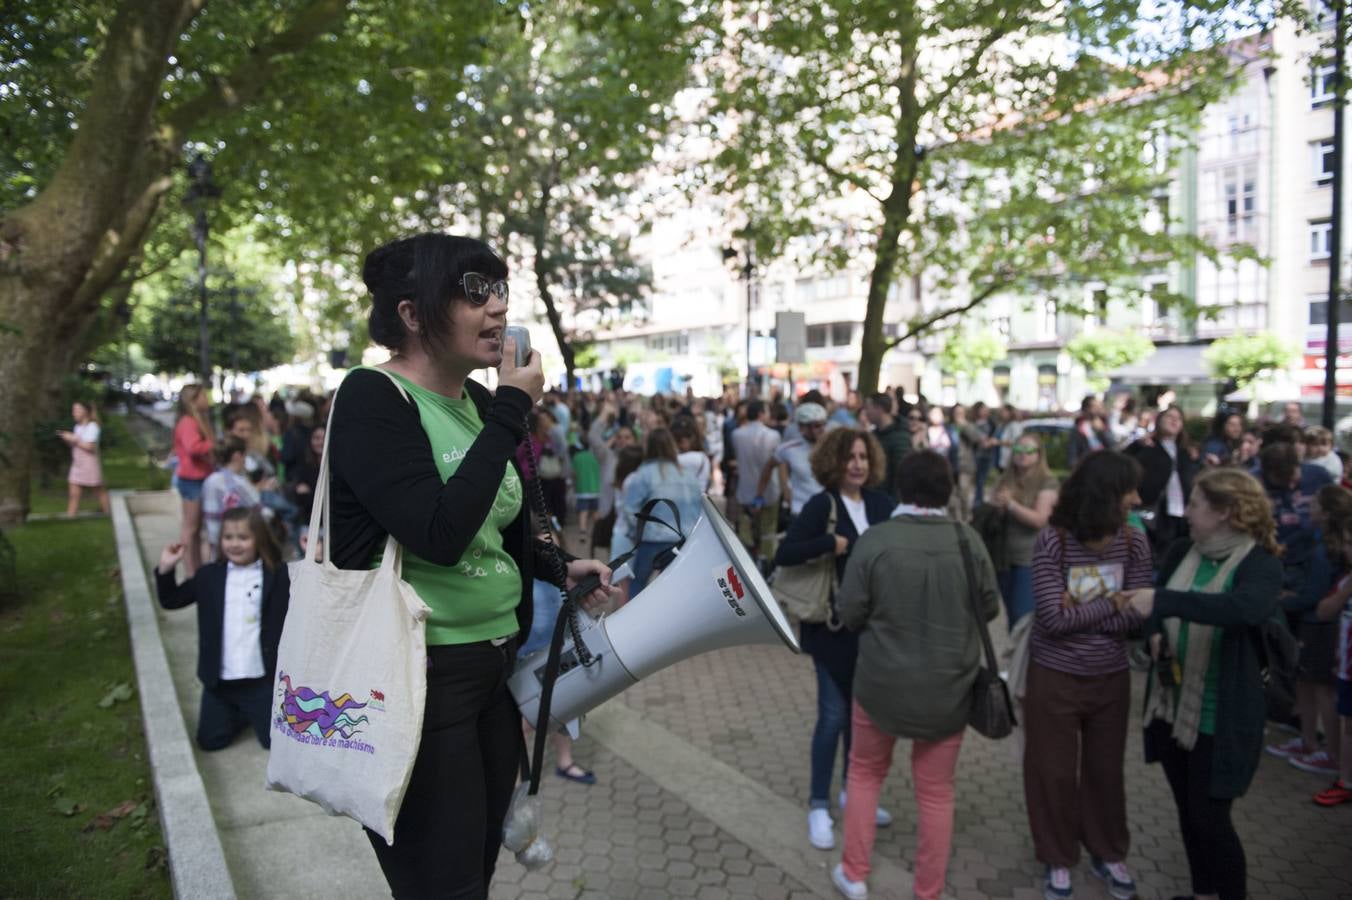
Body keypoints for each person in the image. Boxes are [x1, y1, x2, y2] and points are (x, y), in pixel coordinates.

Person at [325, 233, 618, 897]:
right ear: (411, 314)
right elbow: (438, 534)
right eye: (474, 292)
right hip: (417, 679)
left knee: (477, 867)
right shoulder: (373, 398)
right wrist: (514, 404)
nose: (498, 310)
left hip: (494, 667)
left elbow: (500, 520)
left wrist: (557, 566)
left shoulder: (479, 404)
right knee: (442, 881)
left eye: (500, 291)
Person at [830, 450, 1000, 900]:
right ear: (946, 490)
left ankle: (855, 872)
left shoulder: (875, 540)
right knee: (937, 792)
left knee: (864, 773)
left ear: (901, 489)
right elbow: (990, 608)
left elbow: (849, 613)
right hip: (949, 688)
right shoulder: (968, 540)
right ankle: (928, 890)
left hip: (880, 685)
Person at [1125, 468, 1284, 900]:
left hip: (1222, 718)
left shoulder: (1260, 562)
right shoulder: (1182, 550)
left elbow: (1242, 609)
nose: (1187, 512)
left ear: (1226, 513)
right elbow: (1160, 600)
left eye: (1195, 504)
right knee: (1189, 815)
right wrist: (1157, 626)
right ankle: (1203, 895)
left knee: (1212, 820)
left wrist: (1163, 602)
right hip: (1174, 710)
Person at [1025, 451, 1152, 900]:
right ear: (1103, 495)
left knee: (1105, 770)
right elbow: (1051, 621)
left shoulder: (1135, 542)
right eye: (1128, 491)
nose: (1136, 499)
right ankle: (1058, 858)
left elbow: (1137, 615)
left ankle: (1108, 851)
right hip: (1054, 676)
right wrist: (1111, 604)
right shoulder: (1054, 542)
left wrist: (1084, 610)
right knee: (1052, 771)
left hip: (1110, 678)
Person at [773, 427, 894, 855]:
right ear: (834, 463)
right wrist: (830, 543)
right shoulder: (822, 504)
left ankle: (852, 793)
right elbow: (784, 554)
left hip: (873, 632)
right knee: (832, 715)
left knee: (863, 718)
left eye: (863, 456)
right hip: (830, 629)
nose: (858, 464)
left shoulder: (882, 504)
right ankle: (819, 804)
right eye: (849, 458)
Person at [154, 507, 291, 751]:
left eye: (243, 538)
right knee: (210, 742)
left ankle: (252, 711)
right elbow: (171, 600)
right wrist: (166, 569)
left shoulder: (278, 576)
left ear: (259, 539)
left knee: (275, 743)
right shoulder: (209, 576)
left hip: (261, 681)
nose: (234, 544)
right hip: (220, 683)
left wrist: (318, 558)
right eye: (228, 538)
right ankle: (237, 713)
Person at [620, 428, 706, 595]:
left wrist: (635, 533)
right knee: (675, 590)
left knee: (638, 585)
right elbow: (698, 510)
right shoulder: (688, 475)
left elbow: (630, 510)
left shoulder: (643, 474)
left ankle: (637, 621)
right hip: (681, 540)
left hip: (651, 539)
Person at [987, 433, 1059, 629]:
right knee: (1012, 615)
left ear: (1038, 455)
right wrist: (995, 506)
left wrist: (1011, 504)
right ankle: (1015, 657)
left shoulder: (1047, 482)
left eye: (1029, 450)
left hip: (1030, 559)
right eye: (1018, 449)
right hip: (1003, 557)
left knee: (1023, 616)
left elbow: (1039, 520)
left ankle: (1023, 658)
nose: (1022, 454)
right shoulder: (1004, 479)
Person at [1124, 405, 1199, 561]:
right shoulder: (1147, 446)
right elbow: (1122, 462)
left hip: (1181, 511)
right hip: (1154, 510)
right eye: (1169, 417)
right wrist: (1138, 445)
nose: (1174, 421)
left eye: (1178, 418)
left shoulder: (1185, 451)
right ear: (1158, 421)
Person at [1313, 513, 1352, 806]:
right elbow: (1323, 611)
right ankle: (1346, 780)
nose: (1346, 550)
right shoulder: (1346, 580)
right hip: (1345, 669)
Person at [173, 384, 216, 576]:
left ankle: (197, 569)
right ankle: (191, 572)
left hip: (198, 478)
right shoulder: (189, 422)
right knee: (191, 528)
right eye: (203, 396)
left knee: (195, 528)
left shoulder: (193, 421)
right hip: (192, 480)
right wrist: (214, 444)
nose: (206, 400)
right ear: (193, 400)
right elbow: (193, 447)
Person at [732, 400, 782, 563]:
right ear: (761, 413)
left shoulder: (737, 434)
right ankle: (767, 564)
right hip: (769, 491)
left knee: (746, 532)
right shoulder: (773, 435)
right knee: (768, 532)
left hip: (745, 491)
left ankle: (747, 563)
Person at [768, 402, 827, 523]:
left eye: (823, 425)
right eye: (816, 426)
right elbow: (769, 466)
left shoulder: (832, 447)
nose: (821, 429)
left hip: (825, 512)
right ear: (802, 427)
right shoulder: (788, 449)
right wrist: (785, 489)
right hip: (799, 512)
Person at [59, 400, 110, 516]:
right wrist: (68, 439)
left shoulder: (92, 426)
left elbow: (90, 447)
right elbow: (77, 444)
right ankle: (71, 516)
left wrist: (74, 439)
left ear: (86, 412)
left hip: (89, 464)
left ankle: (108, 513)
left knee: (99, 491)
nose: (74, 413)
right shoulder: (77, 427)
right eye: (73, 410)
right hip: (77, 464)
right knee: (73, 494)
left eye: (77, 410)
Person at [861, 393, 910, 502]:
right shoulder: (873, 435)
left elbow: (901, 474)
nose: (866, 412)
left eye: (868, 408)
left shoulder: (900, 438)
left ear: (878, 408)